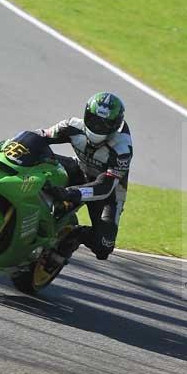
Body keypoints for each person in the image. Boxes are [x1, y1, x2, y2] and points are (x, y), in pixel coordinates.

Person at [36, 92, 133, 261]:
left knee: (103, 246)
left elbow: (104, 186)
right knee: (38, 160)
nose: (97, 127)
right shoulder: (72, 126)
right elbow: (39, 136)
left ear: (115, 125)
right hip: (80, 169)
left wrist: (70, 192)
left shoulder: (122, 149)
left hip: (109, 191)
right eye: (94, 120)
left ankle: (75, 235)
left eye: (104, 124)